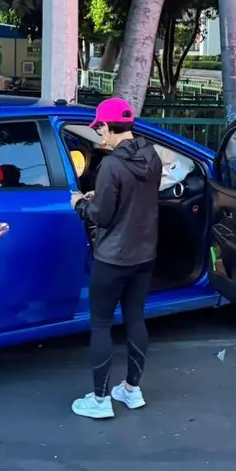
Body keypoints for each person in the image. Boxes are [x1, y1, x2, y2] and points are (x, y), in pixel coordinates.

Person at [70, 98, 163, 419]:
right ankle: (132, 390)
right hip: (144, 254)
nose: (100, 134)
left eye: (100, 128)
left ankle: (99, 400)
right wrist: (103, 195)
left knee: (101, 325)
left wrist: (80, 203)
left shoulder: (111, 165)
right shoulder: (151, 156)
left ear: (109, 126)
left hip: (112, 258)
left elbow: (102, 216)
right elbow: (134, 198)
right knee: (135, 319)